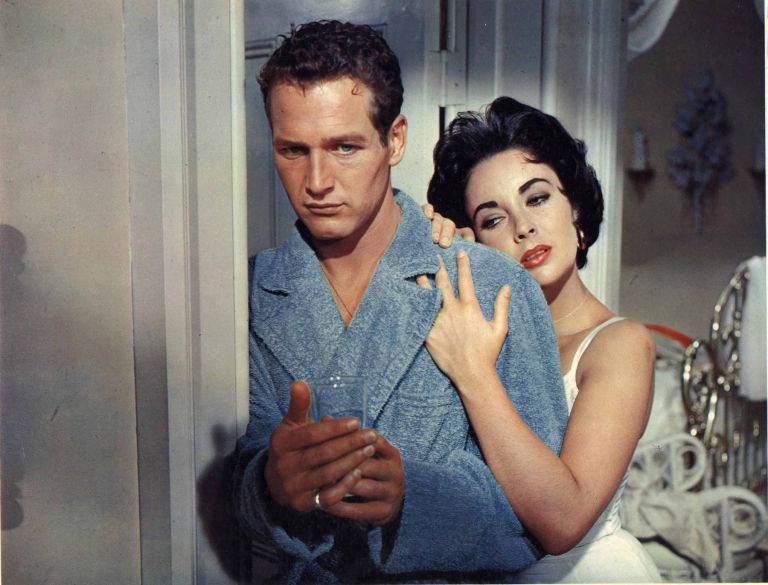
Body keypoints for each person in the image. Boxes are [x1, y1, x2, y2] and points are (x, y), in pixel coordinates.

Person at [233, 22, 569, 584]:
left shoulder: (493, 284)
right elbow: (225, 498)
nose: (316, 181)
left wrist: (412, 498)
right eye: (293, 150)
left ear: (395, 140)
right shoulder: (245, 295)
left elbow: (536, 521)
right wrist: (269, 484)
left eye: (344, 147)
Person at [422, 97, 661, 582]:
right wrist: (436, 253)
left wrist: (473, 372)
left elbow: (563, 522)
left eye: (536, 198)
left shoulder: (620, 344)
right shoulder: (465, 332)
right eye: (493, 219)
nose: (523, 227)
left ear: (575, 206)